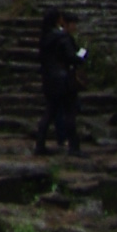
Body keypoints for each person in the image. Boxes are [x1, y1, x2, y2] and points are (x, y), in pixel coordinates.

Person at [35, 10, 83, 155]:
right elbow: (71, 57)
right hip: (64, 81)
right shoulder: (63, 38)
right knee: (69, 113)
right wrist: (82, 55)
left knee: (49, 112)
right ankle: (73, 147)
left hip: (49, 79)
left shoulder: (45, 38)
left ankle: (40, 144)